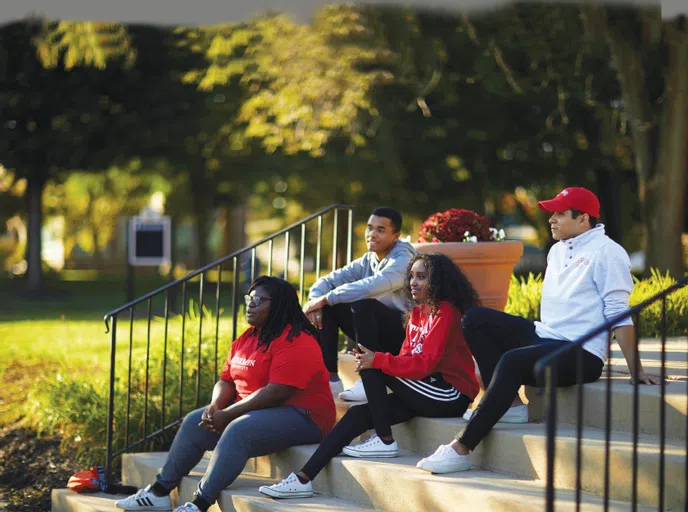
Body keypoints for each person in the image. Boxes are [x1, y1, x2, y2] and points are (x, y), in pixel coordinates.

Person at [415, 187, 660, 475]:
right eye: (552, 213)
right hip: (546, 335)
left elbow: (619, 314)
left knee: (512, 361)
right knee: (475, 319)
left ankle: (461, 448)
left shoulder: (608, 252)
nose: (551, 219)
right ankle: (512, 406)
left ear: (583, 220)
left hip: (581, 353)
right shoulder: (557, 250)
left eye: (560, 213)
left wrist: (637, 371)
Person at [258, 253, 481, 499]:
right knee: (356, 414)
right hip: (424, 389)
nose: (413, 283)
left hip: (449, 393)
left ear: (438, 281)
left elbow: (424, 365)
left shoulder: (445, 312)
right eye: (411, 277)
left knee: (373, 364)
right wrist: (378, 362)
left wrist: (378, 361)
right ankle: (303, 478)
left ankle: (385, 440)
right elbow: (407, 357)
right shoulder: (417, 314)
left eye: (421, 277)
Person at [115, 276, 335, 512]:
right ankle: (159, 492)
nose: (250, 304)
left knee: (239, 429)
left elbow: (277, 392)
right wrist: (215, 405)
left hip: (304, 416)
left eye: (259, 300)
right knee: (194, 422)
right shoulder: (249, 337)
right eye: (249, 298)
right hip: (258, 411)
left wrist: (229, 413)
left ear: (279, 304)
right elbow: (227, 379)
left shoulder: (297, 339)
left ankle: (199, 504)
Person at [303, 206, 416, 401]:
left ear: (395, 236)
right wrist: (316, 300)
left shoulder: (405, 259)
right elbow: (329, 280)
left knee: (362, 303)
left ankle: (369, 379)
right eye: (369, 228)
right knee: (330, 305)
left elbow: (372, 286)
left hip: (405, 336)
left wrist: (326, 298)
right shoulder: (367, 260)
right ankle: (331, 380)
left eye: (380, 230)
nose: (372, 234)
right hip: (376, 332)